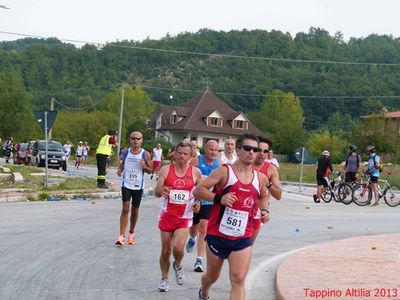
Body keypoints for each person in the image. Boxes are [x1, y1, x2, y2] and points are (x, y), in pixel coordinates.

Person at [193, 133, 270, 300]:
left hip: (243, 236)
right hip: (218, 234)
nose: (251, 152)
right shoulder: (224, 172)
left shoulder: (260, 178)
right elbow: (198, 190)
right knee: (212, 277)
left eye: (255, 149)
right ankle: (204, 289)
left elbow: (263, 196)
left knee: (238, 279)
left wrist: (265, 211)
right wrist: (219, 198)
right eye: (247, 148)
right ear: (238, 150)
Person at [154, 141, 202, 292]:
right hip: (167, 215)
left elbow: (200, 192)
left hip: (185, 216)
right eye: (179, 153)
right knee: (166, 250)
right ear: (175, 154)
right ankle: (164, 278)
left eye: (185, 154)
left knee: (178, 247)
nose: (181, 156)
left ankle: (178, 265)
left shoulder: (195, 173)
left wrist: (198, 202)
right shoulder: (166, 169)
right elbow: (156, 191)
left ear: (191, 156)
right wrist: (161, 190)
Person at [186, 139, 220, 272]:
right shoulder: (197, 161)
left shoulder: (219, 165)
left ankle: (199, 260)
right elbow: (190, 178)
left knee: (204, 228)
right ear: (206, 149)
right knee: (193, 228)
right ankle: (192, 238)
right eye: (211, 149)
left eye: (216, 150)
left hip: (209, 201)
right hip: (195, 199)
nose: (213, 152)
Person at [115, 131, 152, 245]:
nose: (136, 140)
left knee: (135, 210)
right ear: (130, 140)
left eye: (138, 138)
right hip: (126, 184)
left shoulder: (145, 154)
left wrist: (144, 166)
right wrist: (120, 170)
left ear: (142, 140)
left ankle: (131, 233)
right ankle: (121, 236)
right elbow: (122, 164)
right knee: (125, 208)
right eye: (133, 138)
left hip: (138, 186)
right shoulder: (126, 152)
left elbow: (151, 170)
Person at [252, 136, 282, 242]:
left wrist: (268, 184)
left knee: (247, 245)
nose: (262, 153)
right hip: (240, 207)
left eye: (265, 151)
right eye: (259, 150)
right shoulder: (245, 164)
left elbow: (278, 195)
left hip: (259, 209)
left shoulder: (271, 169)